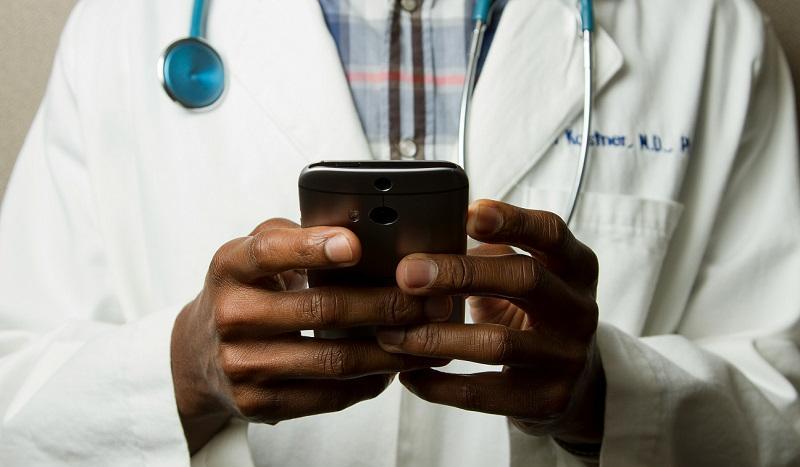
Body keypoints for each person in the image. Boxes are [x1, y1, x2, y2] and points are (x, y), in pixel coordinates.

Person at [1, 0, 799, 465]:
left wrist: (605, 396)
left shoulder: (709, 29)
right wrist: (183, 372)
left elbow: (784, 401)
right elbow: (16, 397)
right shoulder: (123, 24)